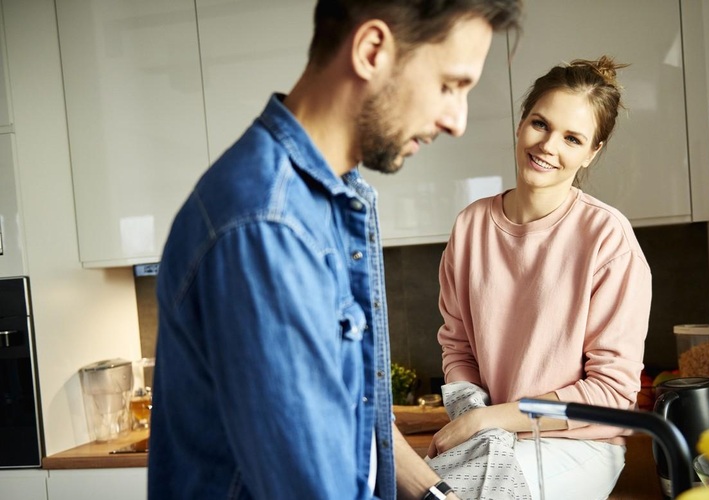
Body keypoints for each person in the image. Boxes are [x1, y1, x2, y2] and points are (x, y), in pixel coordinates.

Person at [147, 1, 523, 499]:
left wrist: (441, 496)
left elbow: (356, 420)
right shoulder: (268, 225)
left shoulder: (328, 199)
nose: (457, 120)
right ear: (372, 51)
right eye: (449, 86)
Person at [429, 56, 652, 499]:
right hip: (490, 431)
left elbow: (610, 392)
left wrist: (488, 419)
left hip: (577, 443)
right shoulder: (471, 225)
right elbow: (457, 347)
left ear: (592, 152)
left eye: (572, 138)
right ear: (521, 124)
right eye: (540, 124)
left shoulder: (608, 238)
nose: (548, 145)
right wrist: (475, 415)